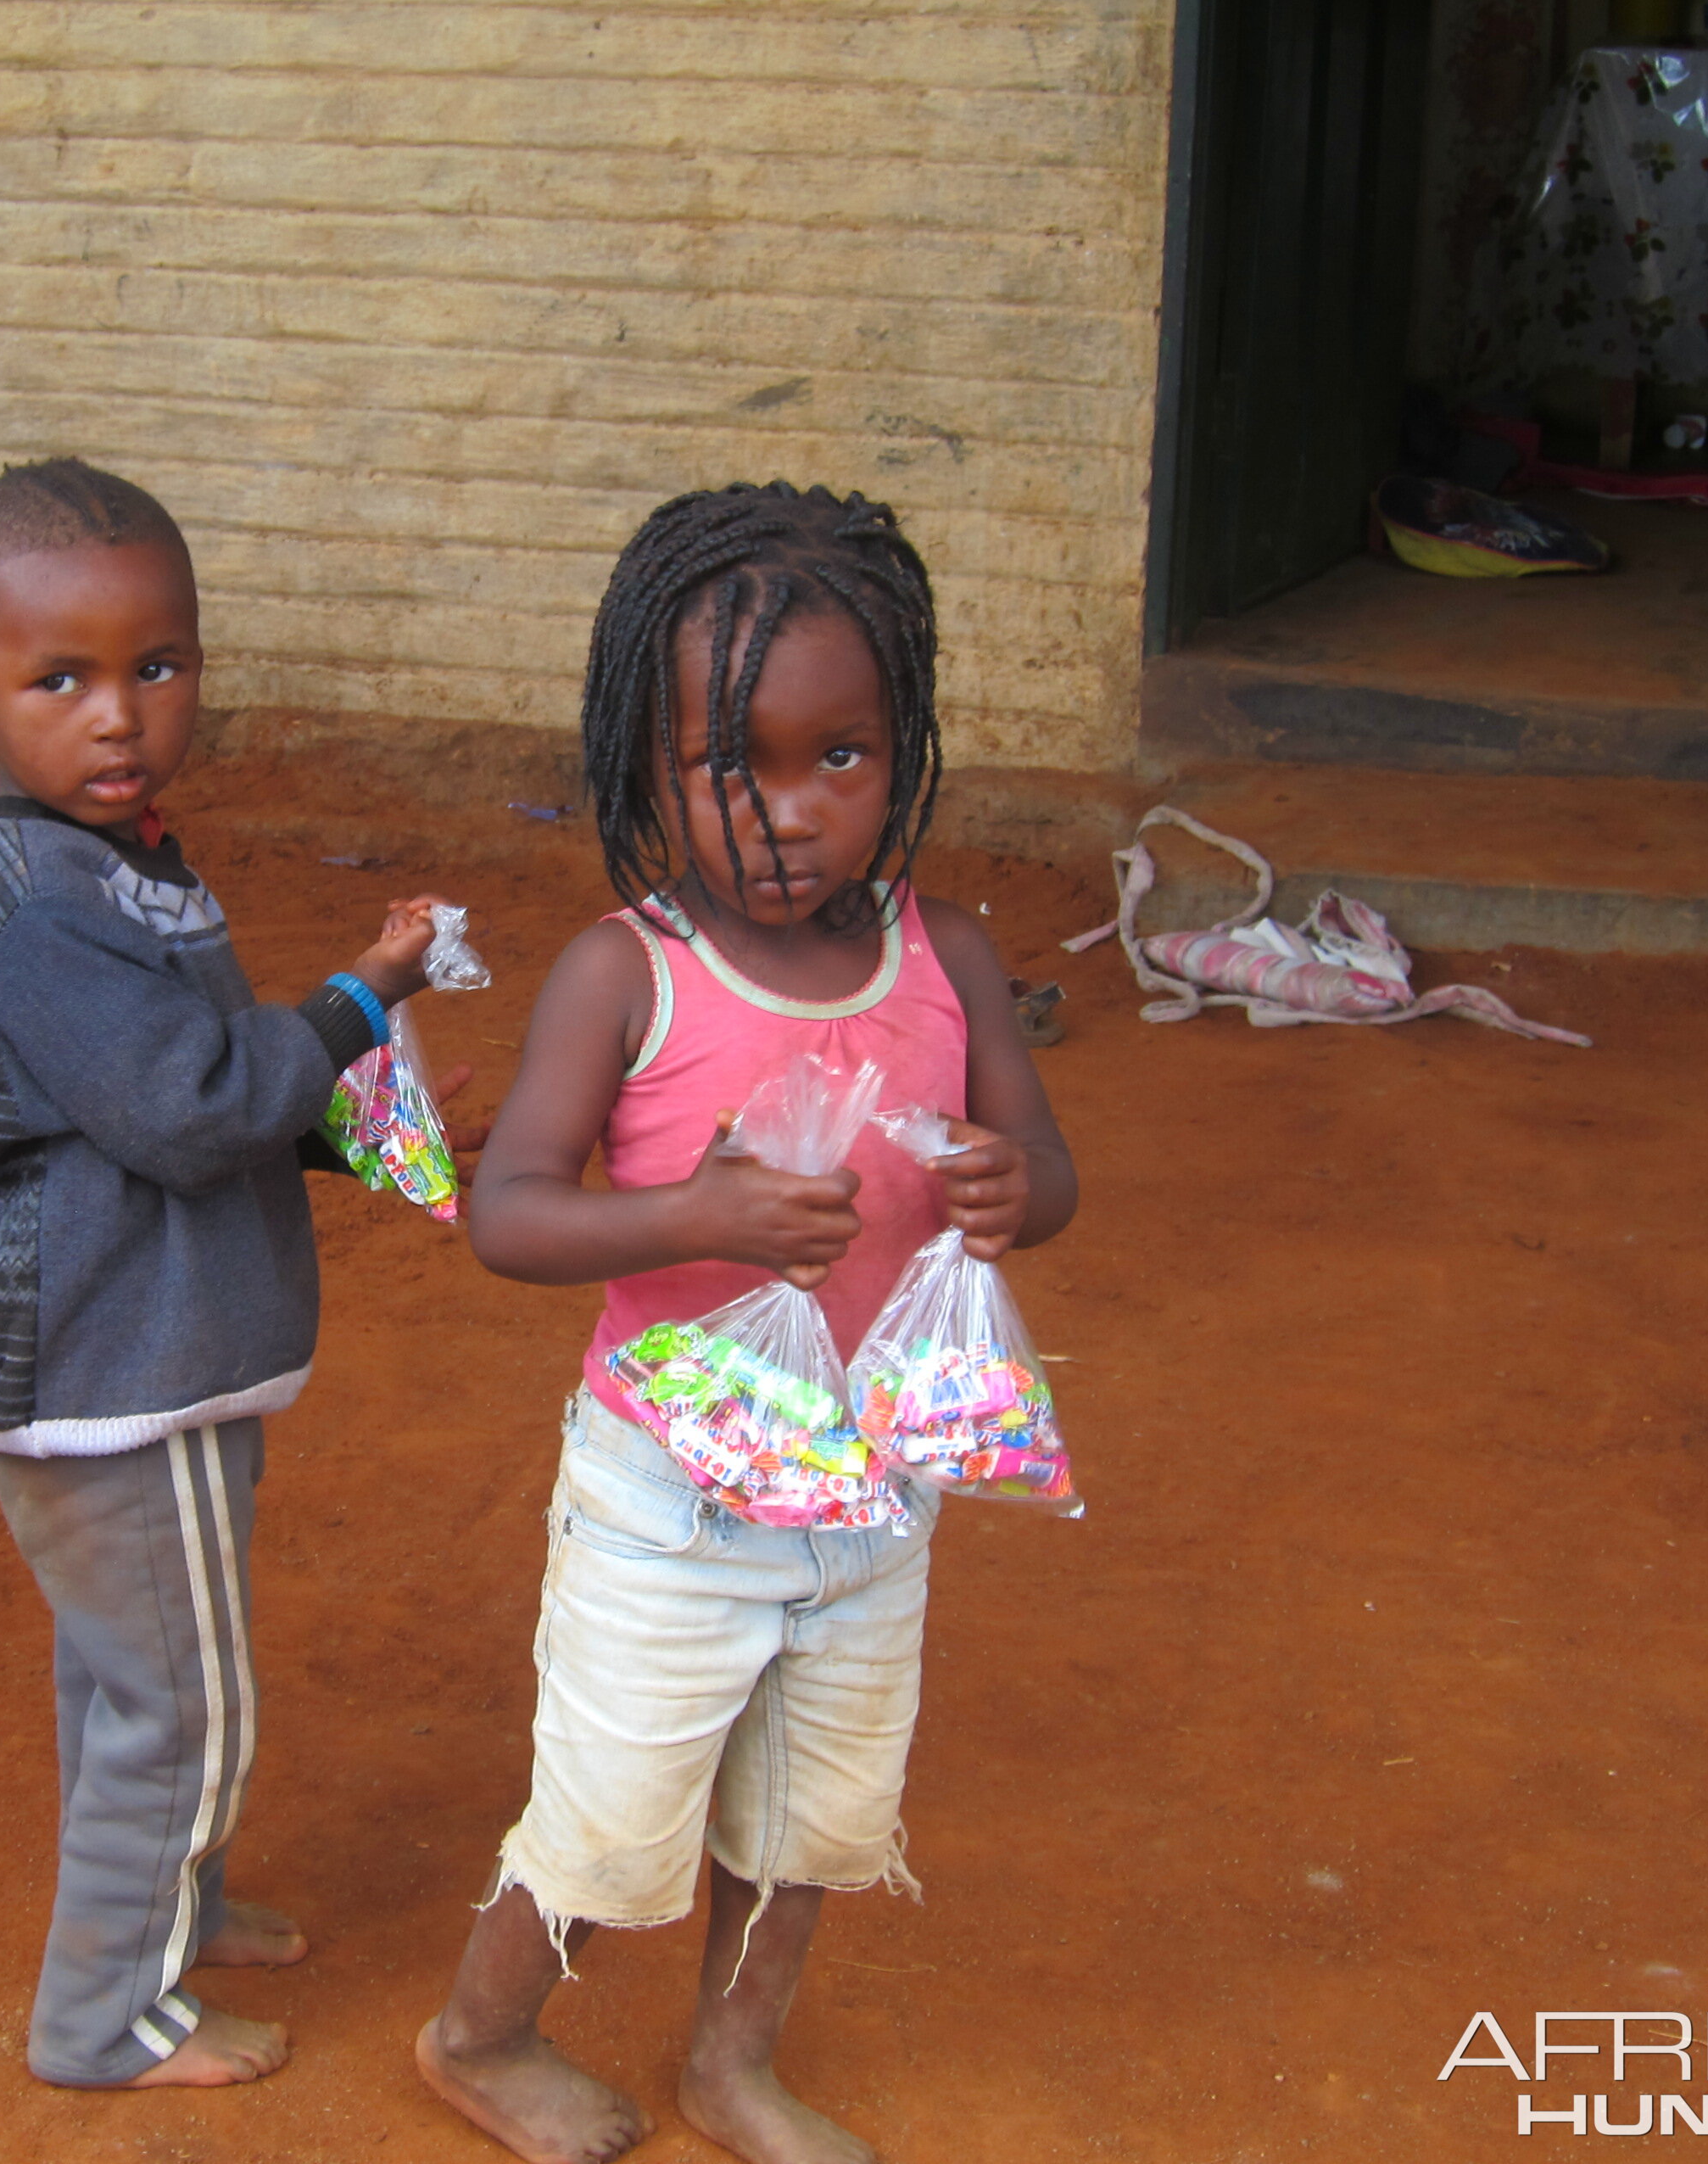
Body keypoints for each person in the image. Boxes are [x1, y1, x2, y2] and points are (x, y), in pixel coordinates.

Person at [416, 483, 1078, 2164]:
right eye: (730, 767)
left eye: (836, 759)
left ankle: (732, 2065)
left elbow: (1047, 1171)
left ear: (902, 745)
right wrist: (696, 1216)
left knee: (816, 1812)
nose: (785, 815)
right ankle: (479, 2035)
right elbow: (513, 1215)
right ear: (644, 765)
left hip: (879, 1495)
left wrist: (1012, 1190)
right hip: (671, 1507)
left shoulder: (953, 961)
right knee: (615, 1813)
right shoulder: (621, 976)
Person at [0, 456, 446, 2092]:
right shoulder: (50, 903)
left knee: (124, 1656)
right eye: (55, 678)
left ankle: (174, 1904)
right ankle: (101, 2020)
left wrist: (346, 1133)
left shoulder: (109, 854)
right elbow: (186, 1099)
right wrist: (355, 1007)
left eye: (154, 666)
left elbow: (170, 1092)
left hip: (111, 1330)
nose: (115, 714)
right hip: (105, 1362)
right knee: (179, 1692)